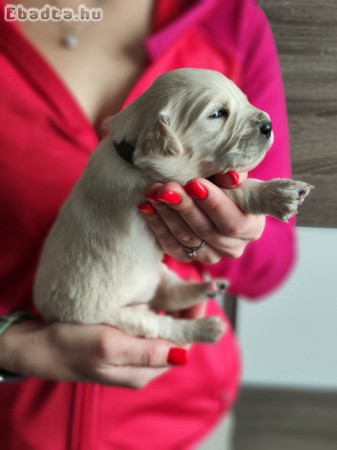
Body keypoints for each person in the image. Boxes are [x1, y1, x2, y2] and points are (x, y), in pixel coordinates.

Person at [0, 0, 296, 448]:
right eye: (218, 114)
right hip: (15, 420)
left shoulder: (228, 18)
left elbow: (268, 266)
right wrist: (9, 347)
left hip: (184, 418)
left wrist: (228, 229)